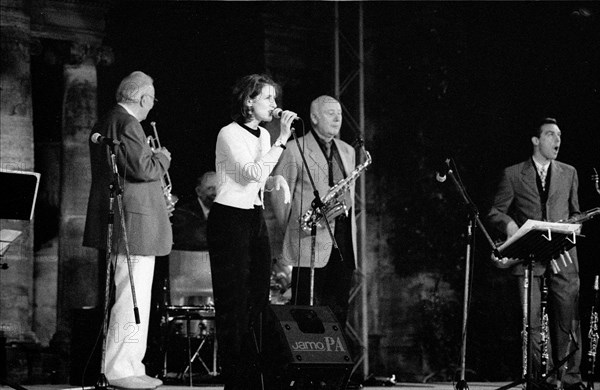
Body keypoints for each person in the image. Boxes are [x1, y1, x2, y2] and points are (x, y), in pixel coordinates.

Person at [83, 71, 171, 390]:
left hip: (129, 220)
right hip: (132, 224)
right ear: (144, 98)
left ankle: (132, 363)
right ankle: (120, 368)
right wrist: (161, 157)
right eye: (152, 99)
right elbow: (143, 169)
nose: (152, 105)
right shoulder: (129, 123)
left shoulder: (108, 120)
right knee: (129, 297)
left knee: (132, 297)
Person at [207, 73, 294, 390]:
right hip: (229, 218)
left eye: (275, 98)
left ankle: (256, 371)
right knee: (233, 300)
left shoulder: (264, 137)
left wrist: (275, 182)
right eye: (268, 98)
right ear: (248, 101)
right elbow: (249, 174)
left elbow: (261, 178)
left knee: (258, 295)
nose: (274, 104)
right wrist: (282, 139)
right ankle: (235, 375)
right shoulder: (228, 134)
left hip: (253, 216)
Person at [487, 117, 583, 390]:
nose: (557, 140)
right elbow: (495, 211)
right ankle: (539, 379)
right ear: (536, 140)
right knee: (532, 323)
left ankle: (570, 378)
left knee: (568, 318)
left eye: (559, 135)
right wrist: (510, 226)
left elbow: (575, 212)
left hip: (564, 257)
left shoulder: (570, 172)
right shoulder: (513, 174)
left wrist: (570, 226)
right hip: (530, 259)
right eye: (551, 135)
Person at [271, 95, 357, 328]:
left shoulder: (348, 151)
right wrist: (294, 229)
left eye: (339, 113)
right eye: (330, 113)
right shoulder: (294, 149)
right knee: (306, 316)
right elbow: (280, 195)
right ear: (314, 117)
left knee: (338, 312)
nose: (338, 118)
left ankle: (334, 362)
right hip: (309, 240)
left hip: (343, 242)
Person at [171, 171, 217, 251]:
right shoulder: (182, 213)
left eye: (219, 188)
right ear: (199, 191)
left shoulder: (228, 212)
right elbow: (198, 237)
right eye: (210, 188)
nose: (216, 192)